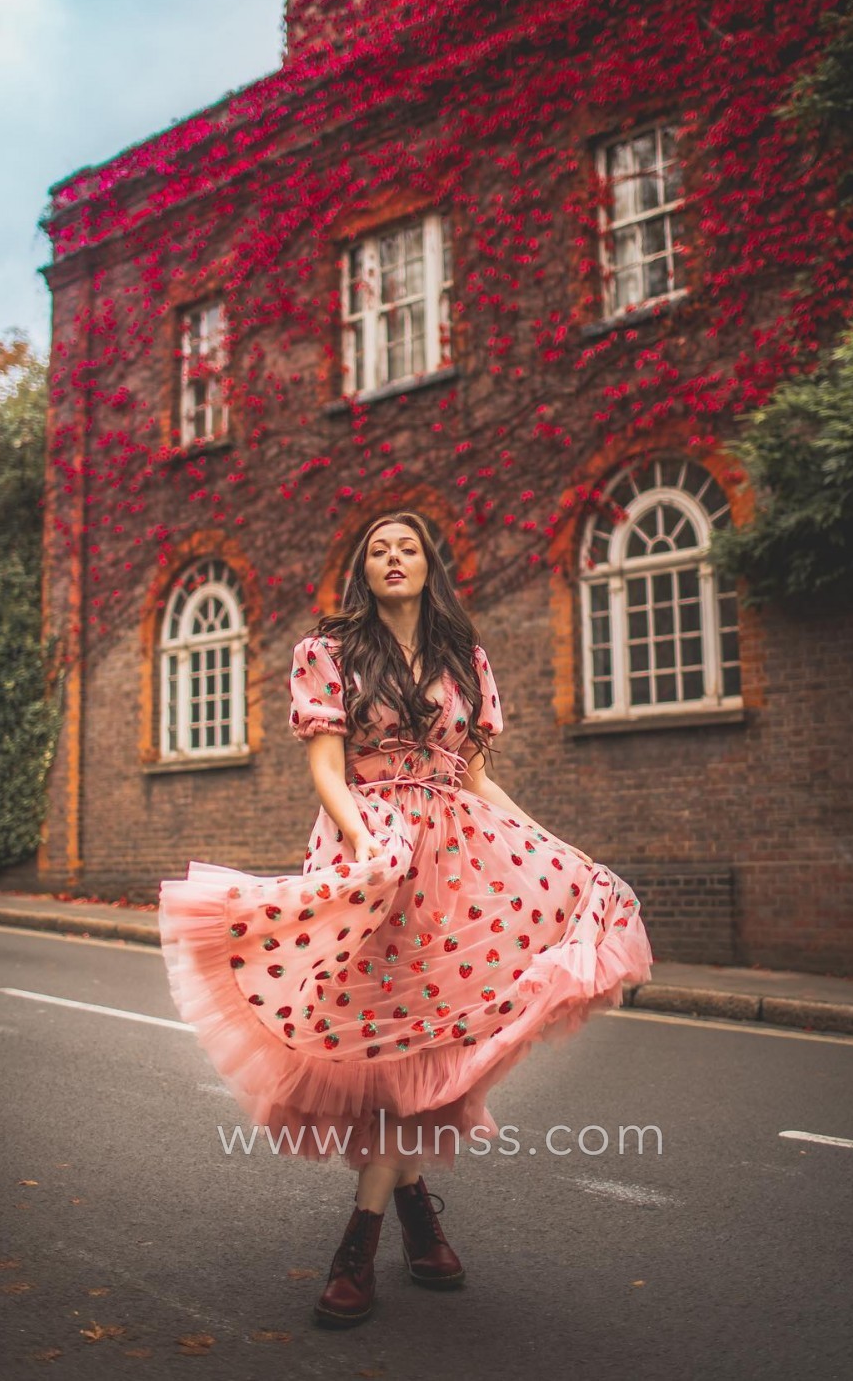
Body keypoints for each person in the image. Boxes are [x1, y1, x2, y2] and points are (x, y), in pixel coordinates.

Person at [158, 511, 654, 1327]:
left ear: (430, 565)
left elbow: (476, 780)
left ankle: (369, 1235)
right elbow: (327, 767)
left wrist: (547, 844)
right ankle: (406, 1223)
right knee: (383, 1031)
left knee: (424, 1033)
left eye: (408, 548)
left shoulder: (467, 659)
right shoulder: (330, 653)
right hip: (371, 850)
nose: (394, 559)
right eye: (378, 550)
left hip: (455, 862)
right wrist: (366, 844)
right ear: (365, 569)